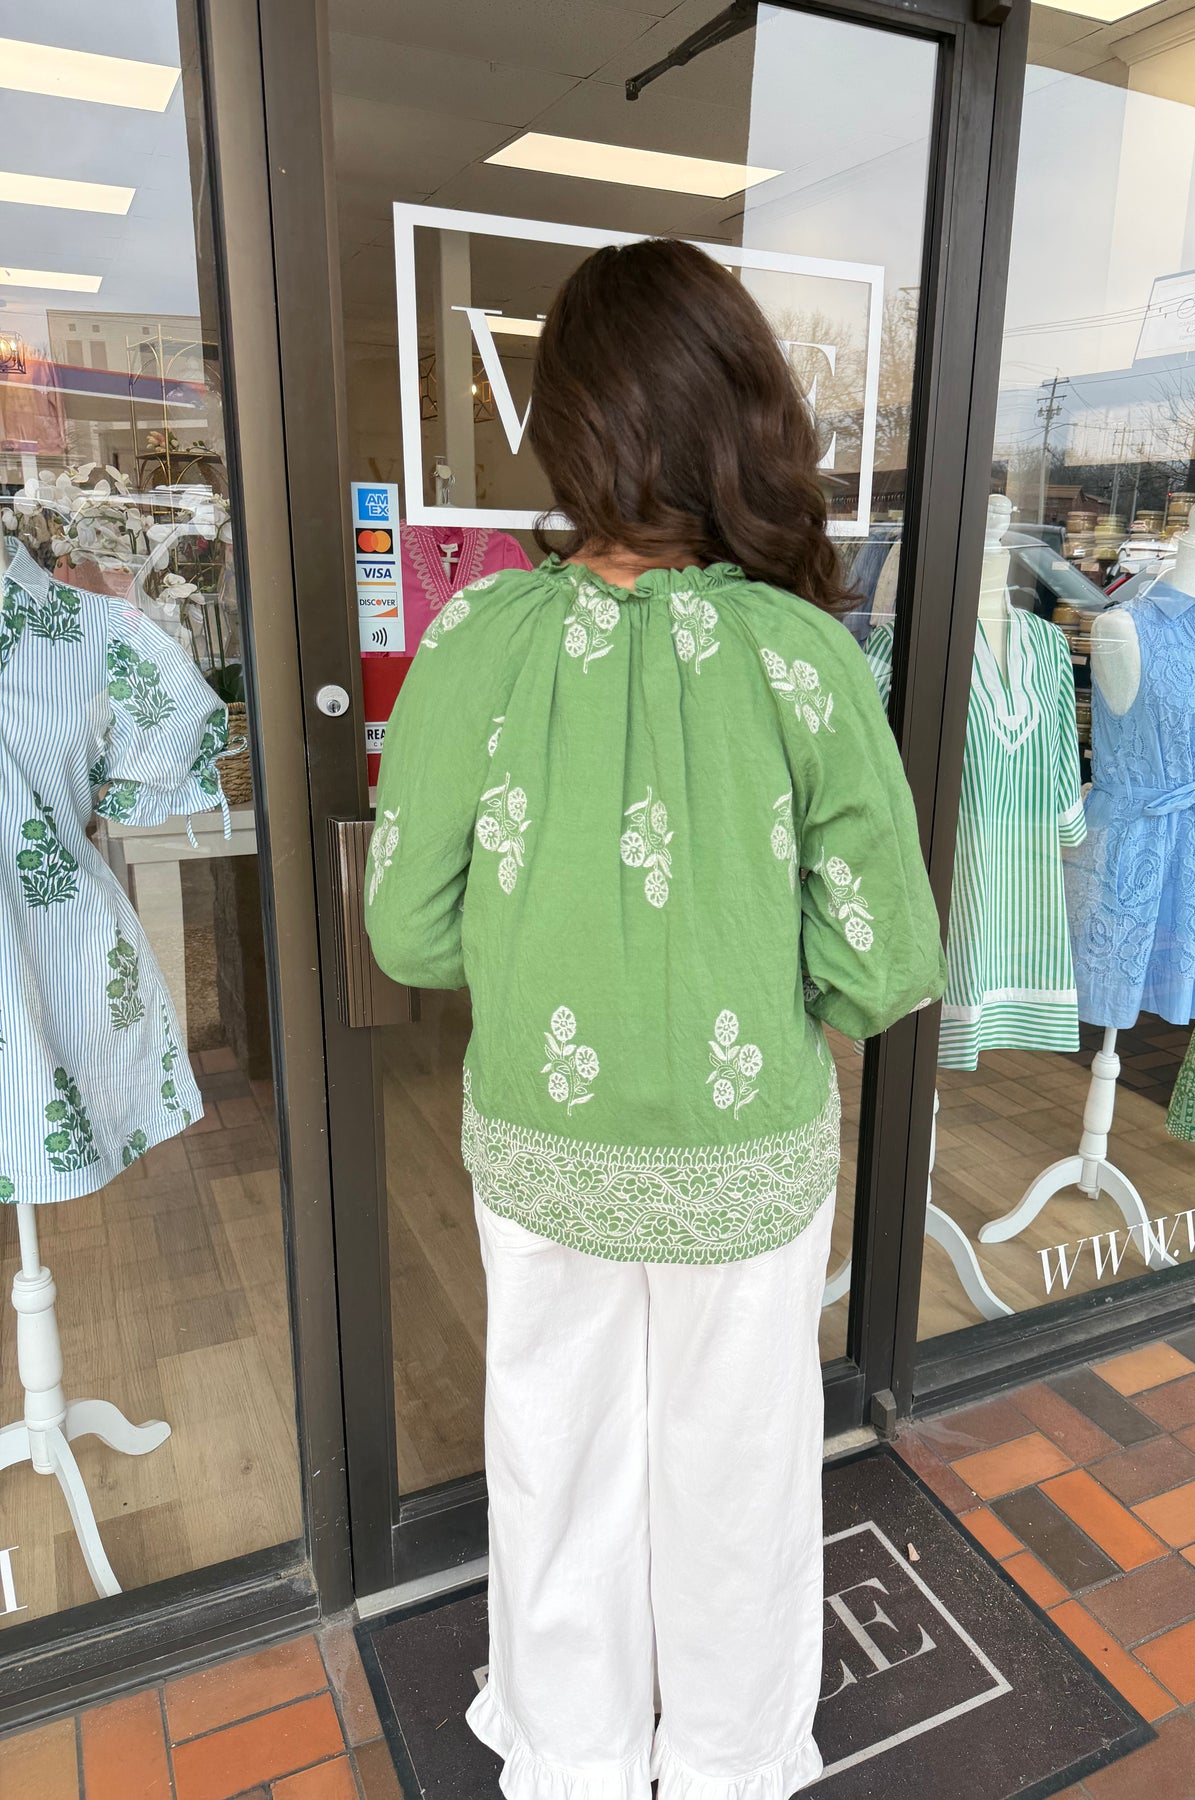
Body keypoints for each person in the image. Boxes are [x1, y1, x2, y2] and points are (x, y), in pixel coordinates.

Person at [365, 237, 946, 1800]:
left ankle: (570, 1755)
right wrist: (743, 971)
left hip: (540, 1134)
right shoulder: (805, 657)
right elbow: (885, 960)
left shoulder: (474, 641)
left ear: (568, 425)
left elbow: (406, 931)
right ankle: (730, 1760)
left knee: (554, 1443)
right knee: (736, 1463)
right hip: (743, 1146)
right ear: (743, 415)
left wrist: (546, 945)